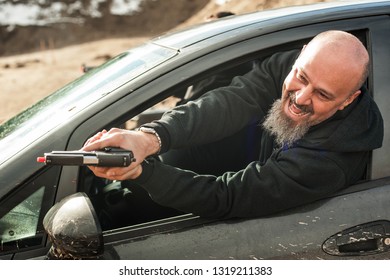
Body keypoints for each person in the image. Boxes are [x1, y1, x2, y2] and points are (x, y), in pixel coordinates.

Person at [82, 30, 383, 219]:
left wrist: (142, 171)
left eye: (322, 94)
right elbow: (235, 100)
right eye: (301, 78)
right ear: (302, 53)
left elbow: (228, 197)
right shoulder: (296, 65)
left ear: (347, 100)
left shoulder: (331, 161)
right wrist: (150, 138)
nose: (301, 97)